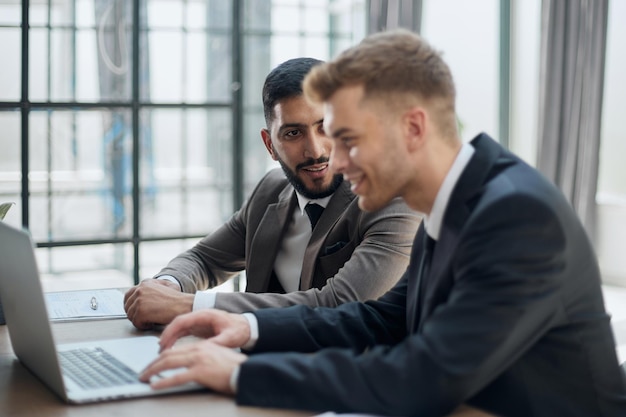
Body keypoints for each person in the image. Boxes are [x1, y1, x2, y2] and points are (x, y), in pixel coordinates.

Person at [138, 30, 626, 416]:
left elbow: (425, 378)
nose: (335, 160)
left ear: (412, 128)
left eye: (347, 138)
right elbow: (379, 318)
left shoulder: (516, 215)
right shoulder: (457, 200)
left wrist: (241, 375)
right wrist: (246, 329)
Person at [124, 57, 420, 330]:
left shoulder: (393, 199)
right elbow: (205, 258)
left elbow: (336, 306)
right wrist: (167, 285)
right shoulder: (270, 191)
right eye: (293, 133)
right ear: (270, 145)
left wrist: (187, 306)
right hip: (256, 364)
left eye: (325, 127)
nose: (315, 150)